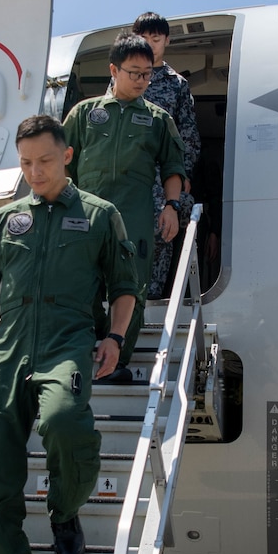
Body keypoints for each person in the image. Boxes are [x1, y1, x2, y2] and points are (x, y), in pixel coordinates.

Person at [0, 115, 139, 554]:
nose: (34, 172)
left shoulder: (101, 215)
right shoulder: (5, 219)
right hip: (10, 348)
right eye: (24, 164)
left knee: (65, 423)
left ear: (67, 155)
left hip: (68, 342)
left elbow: (125, 288)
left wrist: (116, 339)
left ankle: (63, 509)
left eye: (43, 161)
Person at [63, 33, 187, 382]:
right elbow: (62, 165)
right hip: (85, 215)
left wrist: (171, 207)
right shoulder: (85, 113)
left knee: (131, 287)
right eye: (134, 73)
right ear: (113, 70)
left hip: (133, 217)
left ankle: (115, 362)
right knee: (82, 283)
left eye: (147, 74)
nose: (142, 81)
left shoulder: (158, 119)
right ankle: (87, 352)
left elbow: (174, 168)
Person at [131, 12, 201, 300]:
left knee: (164, 230)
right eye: (144, 39)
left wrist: (182, 173)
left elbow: (188, 135)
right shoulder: (124, 78)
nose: (150, 44)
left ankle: (150, 299)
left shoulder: (177, 85)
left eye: (156, 39)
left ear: (167, 40)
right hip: (130, 169)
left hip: (163, 172)